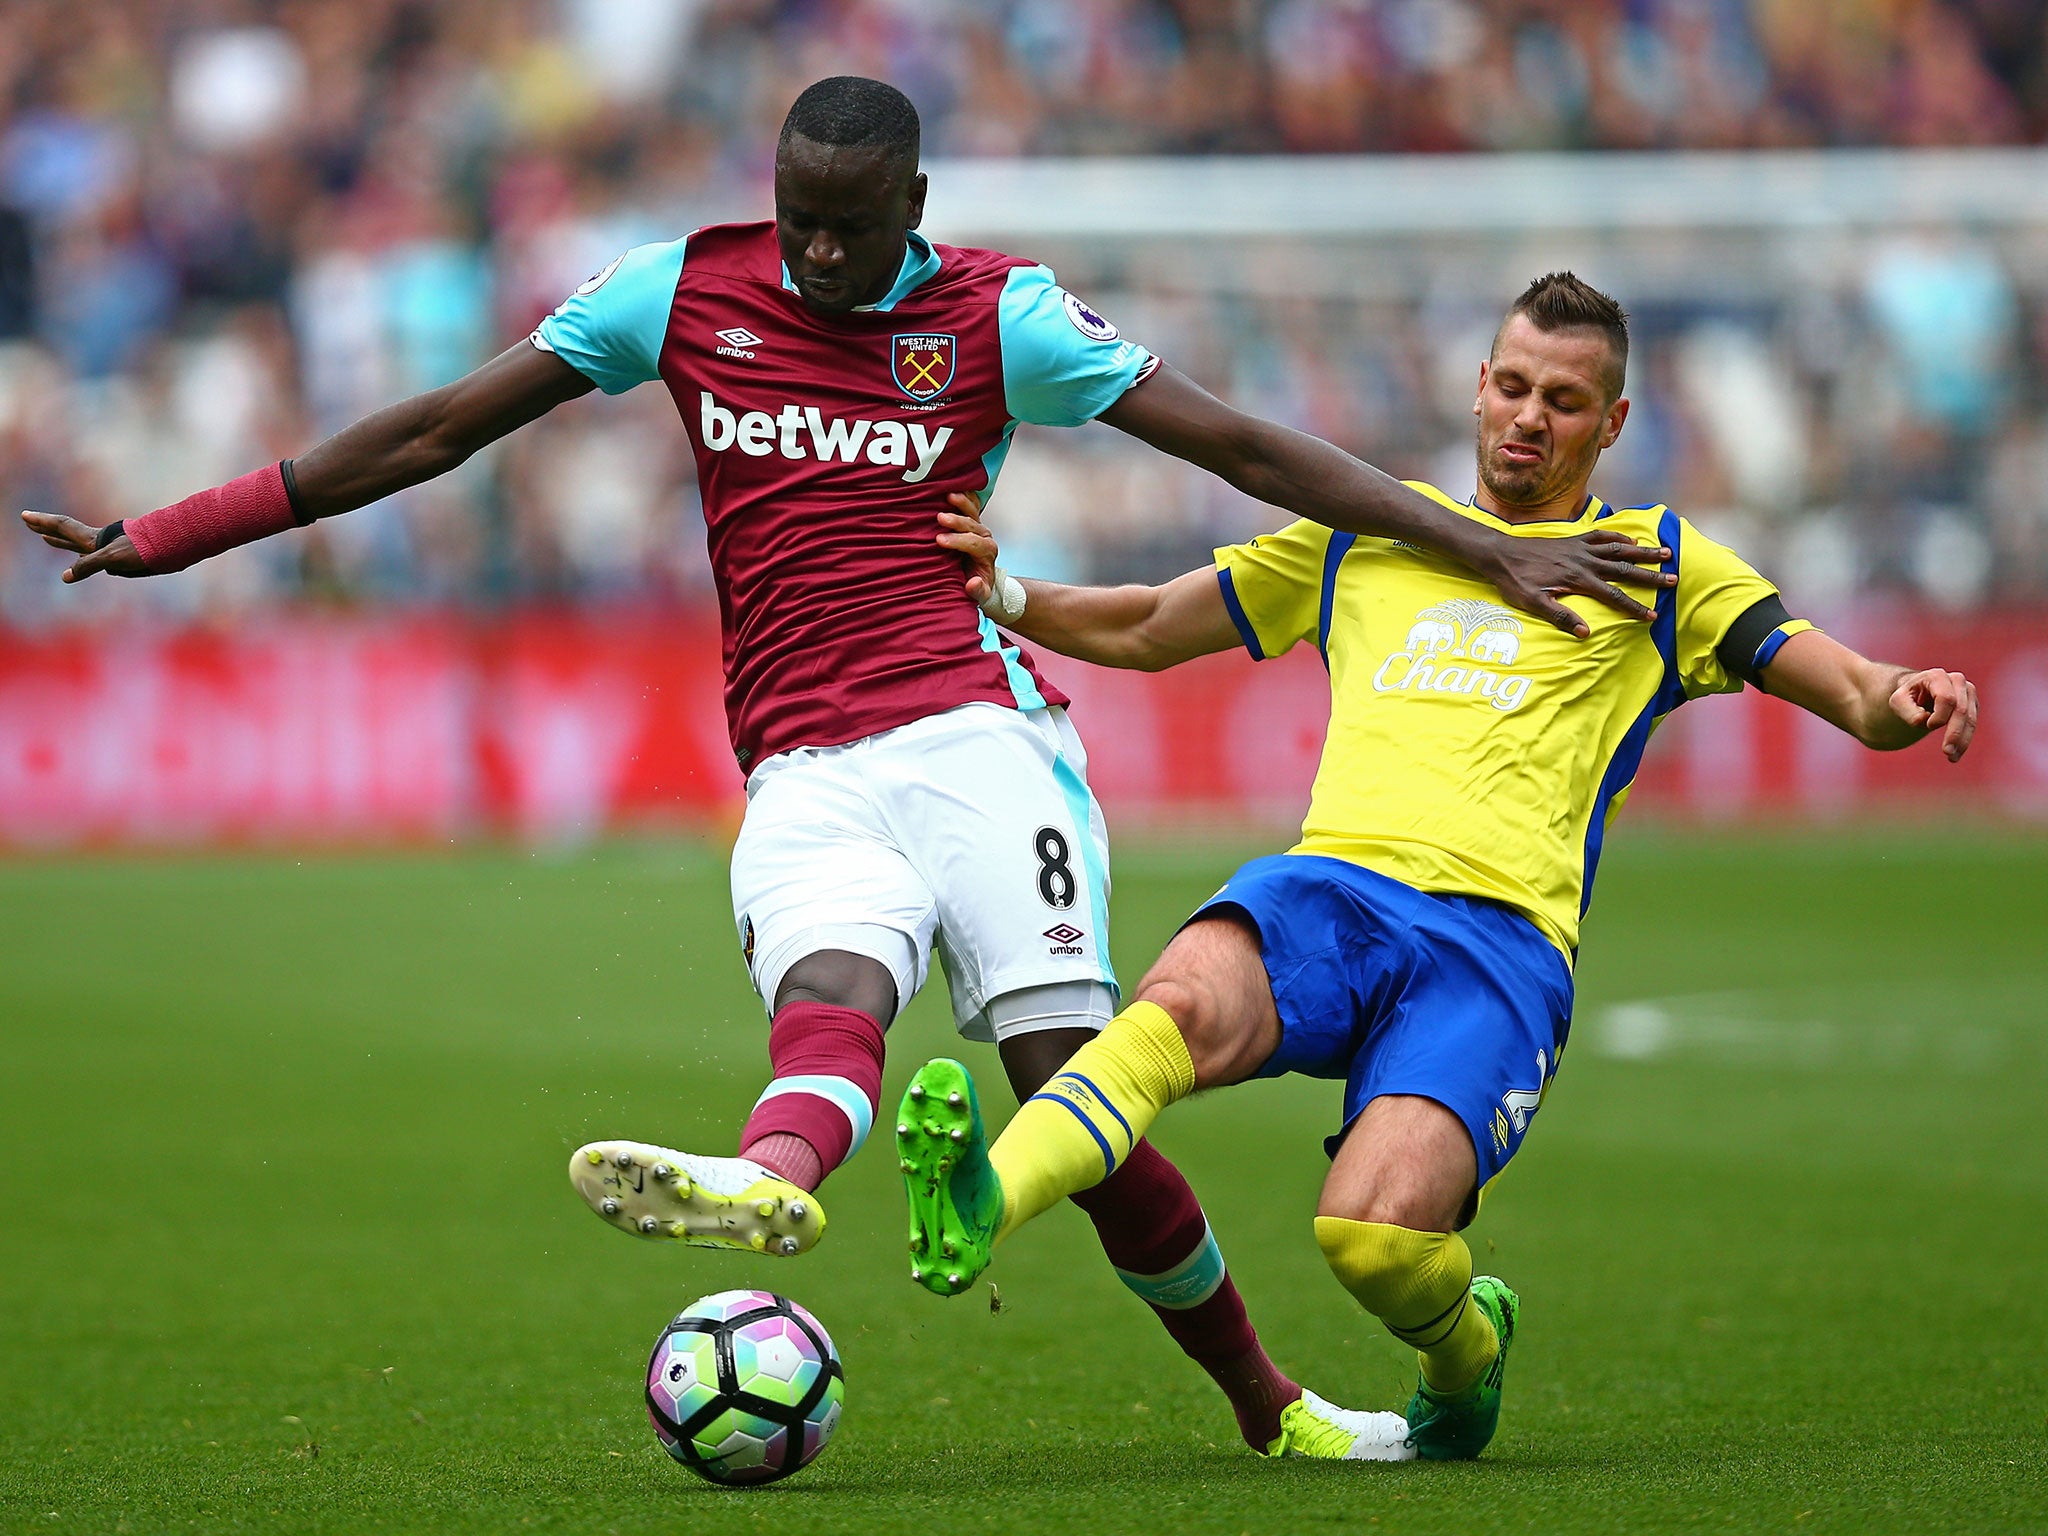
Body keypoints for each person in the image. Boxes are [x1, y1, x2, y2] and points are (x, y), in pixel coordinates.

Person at [20, 80, 1665, 1458]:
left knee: (1053, 1074)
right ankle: (770, 1183)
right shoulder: (673, 292)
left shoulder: (997, 316)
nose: (813, 252)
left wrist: (1476, 547)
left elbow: (1238, 442)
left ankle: (1269, 1407)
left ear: (913, 204)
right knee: (830, 981)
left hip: (979, 737)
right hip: (797, 754)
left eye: (847, 226)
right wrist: (177, 533)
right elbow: (444, 425)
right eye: (795, 216)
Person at [896, 271, 1980, 1462]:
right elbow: (1154, 622)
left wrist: (1900, 695)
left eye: (1563, 401)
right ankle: (984, 1200)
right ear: (1474, 389)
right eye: (1510, 386)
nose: (1528, 417)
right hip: (1333, 892)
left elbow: (1845, 689)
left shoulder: (1657, 566)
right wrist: (1001, 591)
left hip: (1496, 948)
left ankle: (1464, 1352)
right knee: (1175, 1002)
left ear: (1611, 424)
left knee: (1371, 1241)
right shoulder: (1370, 534)